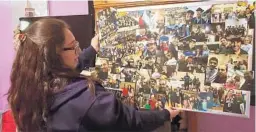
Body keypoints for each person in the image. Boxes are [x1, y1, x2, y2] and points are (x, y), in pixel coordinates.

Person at [7, 18, 180, 132]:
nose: (78, 50)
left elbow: (70, 71)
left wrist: (93, 49)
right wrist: (165, 114)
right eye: (73, 46)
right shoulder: (89, 100)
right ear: (54, 54)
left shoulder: (27, 85)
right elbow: (131, 121)